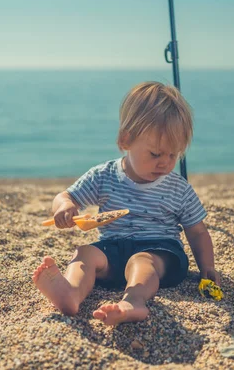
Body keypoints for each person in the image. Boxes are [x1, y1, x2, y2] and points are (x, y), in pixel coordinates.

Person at [33, 81, 220, 326]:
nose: (164, 163)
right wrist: (64, 207)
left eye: (173, 155)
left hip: (162, 253)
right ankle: (71, 293)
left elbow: (197, 231)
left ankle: (134, 301)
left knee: (141, 261)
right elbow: (65, 196)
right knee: (85, 252)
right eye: (155, 154)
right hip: (113, 248)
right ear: (126, 140)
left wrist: (207, 267)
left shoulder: (177, 187)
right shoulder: (104, 176)